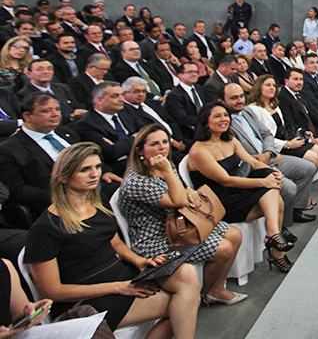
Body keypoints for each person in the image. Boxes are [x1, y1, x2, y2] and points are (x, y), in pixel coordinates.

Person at [25, 142, 200, 335]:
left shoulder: (97, 206)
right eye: (85, 170)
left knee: (187, 275)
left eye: (97, 167)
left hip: (121, 276)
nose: (95, 174)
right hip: (90, 296)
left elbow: (114, 242)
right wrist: (117, 288)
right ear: (63, 177)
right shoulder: (45, 228)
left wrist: (139, 261)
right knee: (182, 303)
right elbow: (52, 291)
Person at [118, 125, 246, 306]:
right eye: (155, 144)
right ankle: (210, 292)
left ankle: (215, 289)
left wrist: (188, 190)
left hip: (181, 222)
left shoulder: (163, 164)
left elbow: (180, 191)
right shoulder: (137, 181)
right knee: (223, 248)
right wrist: (171, 176)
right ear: (139, 150)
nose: (163, 147)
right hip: (156, 238)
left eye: (165, 142)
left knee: (235, 234)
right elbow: (178, 201)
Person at [187, 103, 294, 272]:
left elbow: (252, 162)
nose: (224, 119)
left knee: (273, 190)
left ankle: (273, 236)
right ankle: (275, 246)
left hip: (238, 190)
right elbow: (226, 180)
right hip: (219, 203)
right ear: (206, 122)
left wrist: (273, 173)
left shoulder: (229, 139)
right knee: (273, 195)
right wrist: (264, 182)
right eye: (217, 116)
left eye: (225, 115)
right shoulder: (198, 151)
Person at [221, 83, 317, 224]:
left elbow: (266, 134)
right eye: (234, 98)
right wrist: (262, 160)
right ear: (222, 101)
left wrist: (268, 153)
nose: (240, 100)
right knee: (289, 188)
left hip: (269, 156)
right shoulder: (224, 123)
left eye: (241, 96)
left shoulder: (247, 111)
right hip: (253, 166)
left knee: (308, 168)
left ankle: (295, 209)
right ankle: (283, 225)